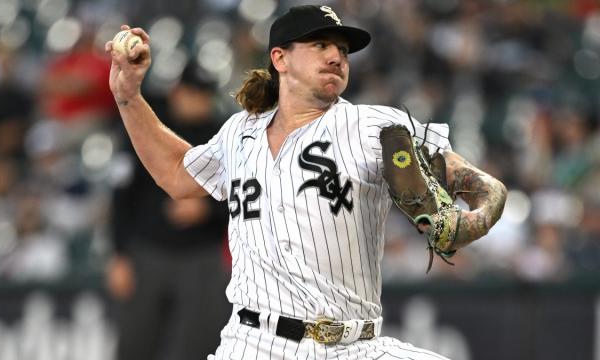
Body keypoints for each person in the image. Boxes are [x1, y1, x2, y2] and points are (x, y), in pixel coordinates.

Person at [106, 4, 507, 359]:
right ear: (280, 58)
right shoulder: (239, 133)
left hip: (353, 347)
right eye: (320, 45)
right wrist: (129, 98)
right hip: (252, 344)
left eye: (343, 51)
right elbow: (176, 173)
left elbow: (476, 183)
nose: (336, 56)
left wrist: (480, 214)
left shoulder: (374, 127)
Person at [106, 62, 230, 360]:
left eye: (204, 94)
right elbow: (121, 195)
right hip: (148, 252)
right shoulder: (147, 129)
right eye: (193, 93)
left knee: (196, 347)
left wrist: (207, 211)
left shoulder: (222, 134)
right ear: (177, 91)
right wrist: (119, 254)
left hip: (201, 256)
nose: (199, 101)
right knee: (135, 343)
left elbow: (243, 198)